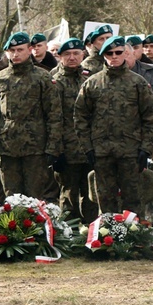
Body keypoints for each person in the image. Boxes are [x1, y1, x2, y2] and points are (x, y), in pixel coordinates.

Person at [75, 36, 153, 214]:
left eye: (118, 52)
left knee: (133, 200)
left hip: (131, 152)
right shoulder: (92, 83)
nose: (114, 56)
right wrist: (87, 148)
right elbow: (81, 118)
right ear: (104, 55)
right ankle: (107, 239)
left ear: (125, 53)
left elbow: (151, 117)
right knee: (105, 201)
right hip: (102, 152)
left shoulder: (138, 83)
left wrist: (146, 148)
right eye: (109, 53)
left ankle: (134, 238)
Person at [0, 32, 63, 200]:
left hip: (36, 147)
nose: (16, 54)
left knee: (34, 199)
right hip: (7, 147)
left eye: (20, 49)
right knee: (10, 198)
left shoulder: (43, 78)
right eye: (12, 50)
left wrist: (53, 147)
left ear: (29, 50)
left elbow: (54, 115)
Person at [51, 39, 97, 222]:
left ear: (82, 55)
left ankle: (93, 234)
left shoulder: (91, 78)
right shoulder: (53, 81)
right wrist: (56, 150)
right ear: (60, 57)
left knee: (91, 194)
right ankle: (70, 234)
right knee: (69, 195)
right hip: (67, 148)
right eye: (67, 54)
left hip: (90, 147)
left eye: (76, 53)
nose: (72, 58)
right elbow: (53, 118)